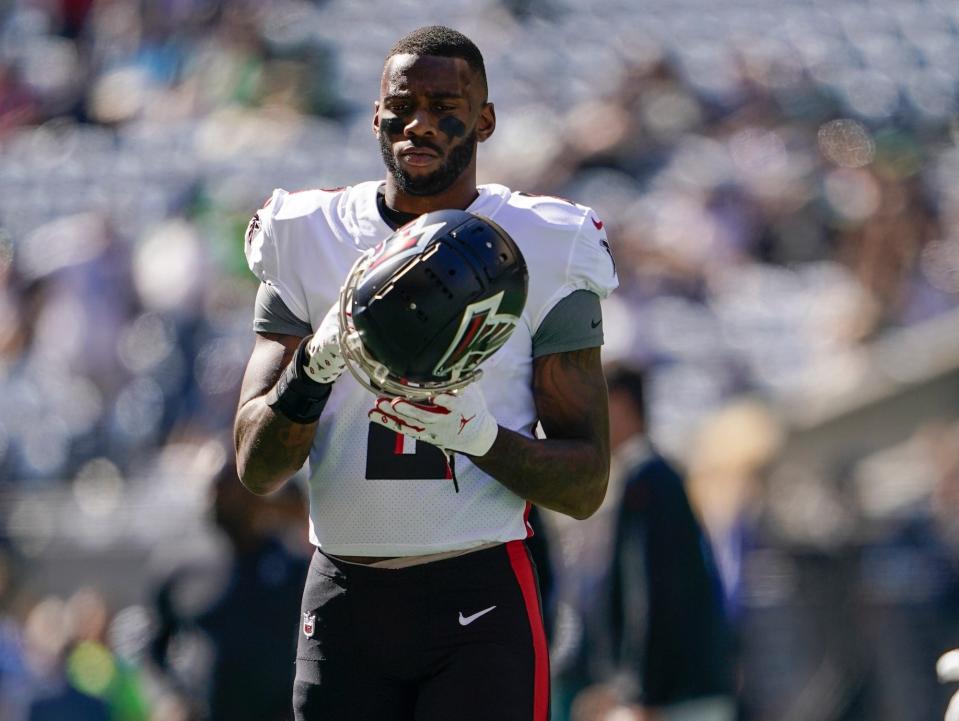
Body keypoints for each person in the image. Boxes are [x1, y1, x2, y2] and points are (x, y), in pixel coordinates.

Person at [233, 25, 618, 721]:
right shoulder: (308, 232)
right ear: (374, 113)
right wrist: (314, 368)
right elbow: (255, 467)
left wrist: (481, 439)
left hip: (480, 589)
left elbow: (585, 481)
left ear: (485, 119)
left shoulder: (545, 242)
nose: (419, 123)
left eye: (445, 105)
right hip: (343, 592)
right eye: (401, 105)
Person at [570, 364, 735, 721]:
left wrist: (641, 690)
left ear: (621, 405)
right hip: (684, 691)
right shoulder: (653, 477)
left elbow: (651, 594)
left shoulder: (648, 481)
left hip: (675, 699)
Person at [148, 461, 309, 721]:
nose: (229, 498)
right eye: (222, 488)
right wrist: (170, 696)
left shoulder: (290, 562)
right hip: (202, 712)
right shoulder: (181, 562)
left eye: (236, 489)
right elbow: (152, 643)